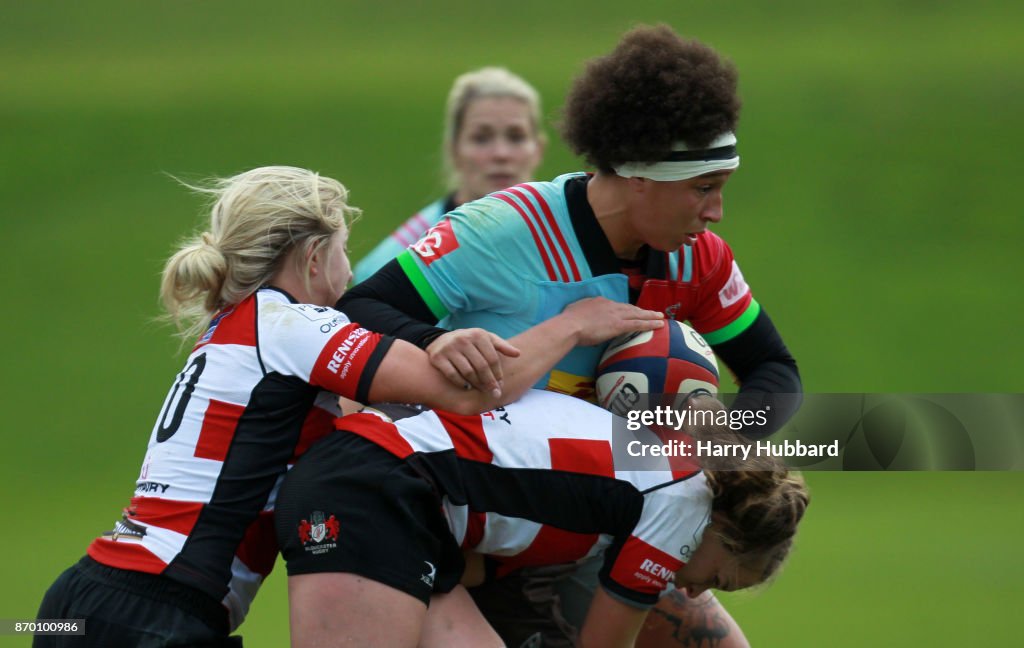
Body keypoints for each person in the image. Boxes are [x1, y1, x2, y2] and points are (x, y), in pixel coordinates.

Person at [33, 166, 663, 648]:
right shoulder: (292, 324)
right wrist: (575, 325)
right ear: (313, 257)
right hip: (159, 613)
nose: (350, 269)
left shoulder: (232, 325)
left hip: (82, 607)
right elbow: (472, 394)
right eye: (343, 248)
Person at [337, 24, 803, 646]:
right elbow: (357, 308)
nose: (715, 211)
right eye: (704, 188)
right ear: (641, 175)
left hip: (600, 532)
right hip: (472, 528)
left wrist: (716, 438)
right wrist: (434, 342)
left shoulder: (700, 259)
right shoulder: (500, 233)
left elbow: (775, 370)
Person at [274, 390, 809, 648]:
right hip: (377, 485)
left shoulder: (630, 499)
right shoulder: (686, 500)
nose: (694, 595)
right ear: (724, 528)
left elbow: (476, 564)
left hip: (395, 500)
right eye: (716, 579)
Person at [352, 66, 546, 283]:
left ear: (538, 150)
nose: (501, 154)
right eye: (481, 138)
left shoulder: (575, 235)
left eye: (516, 137)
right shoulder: (390, 265)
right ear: (453, 150)